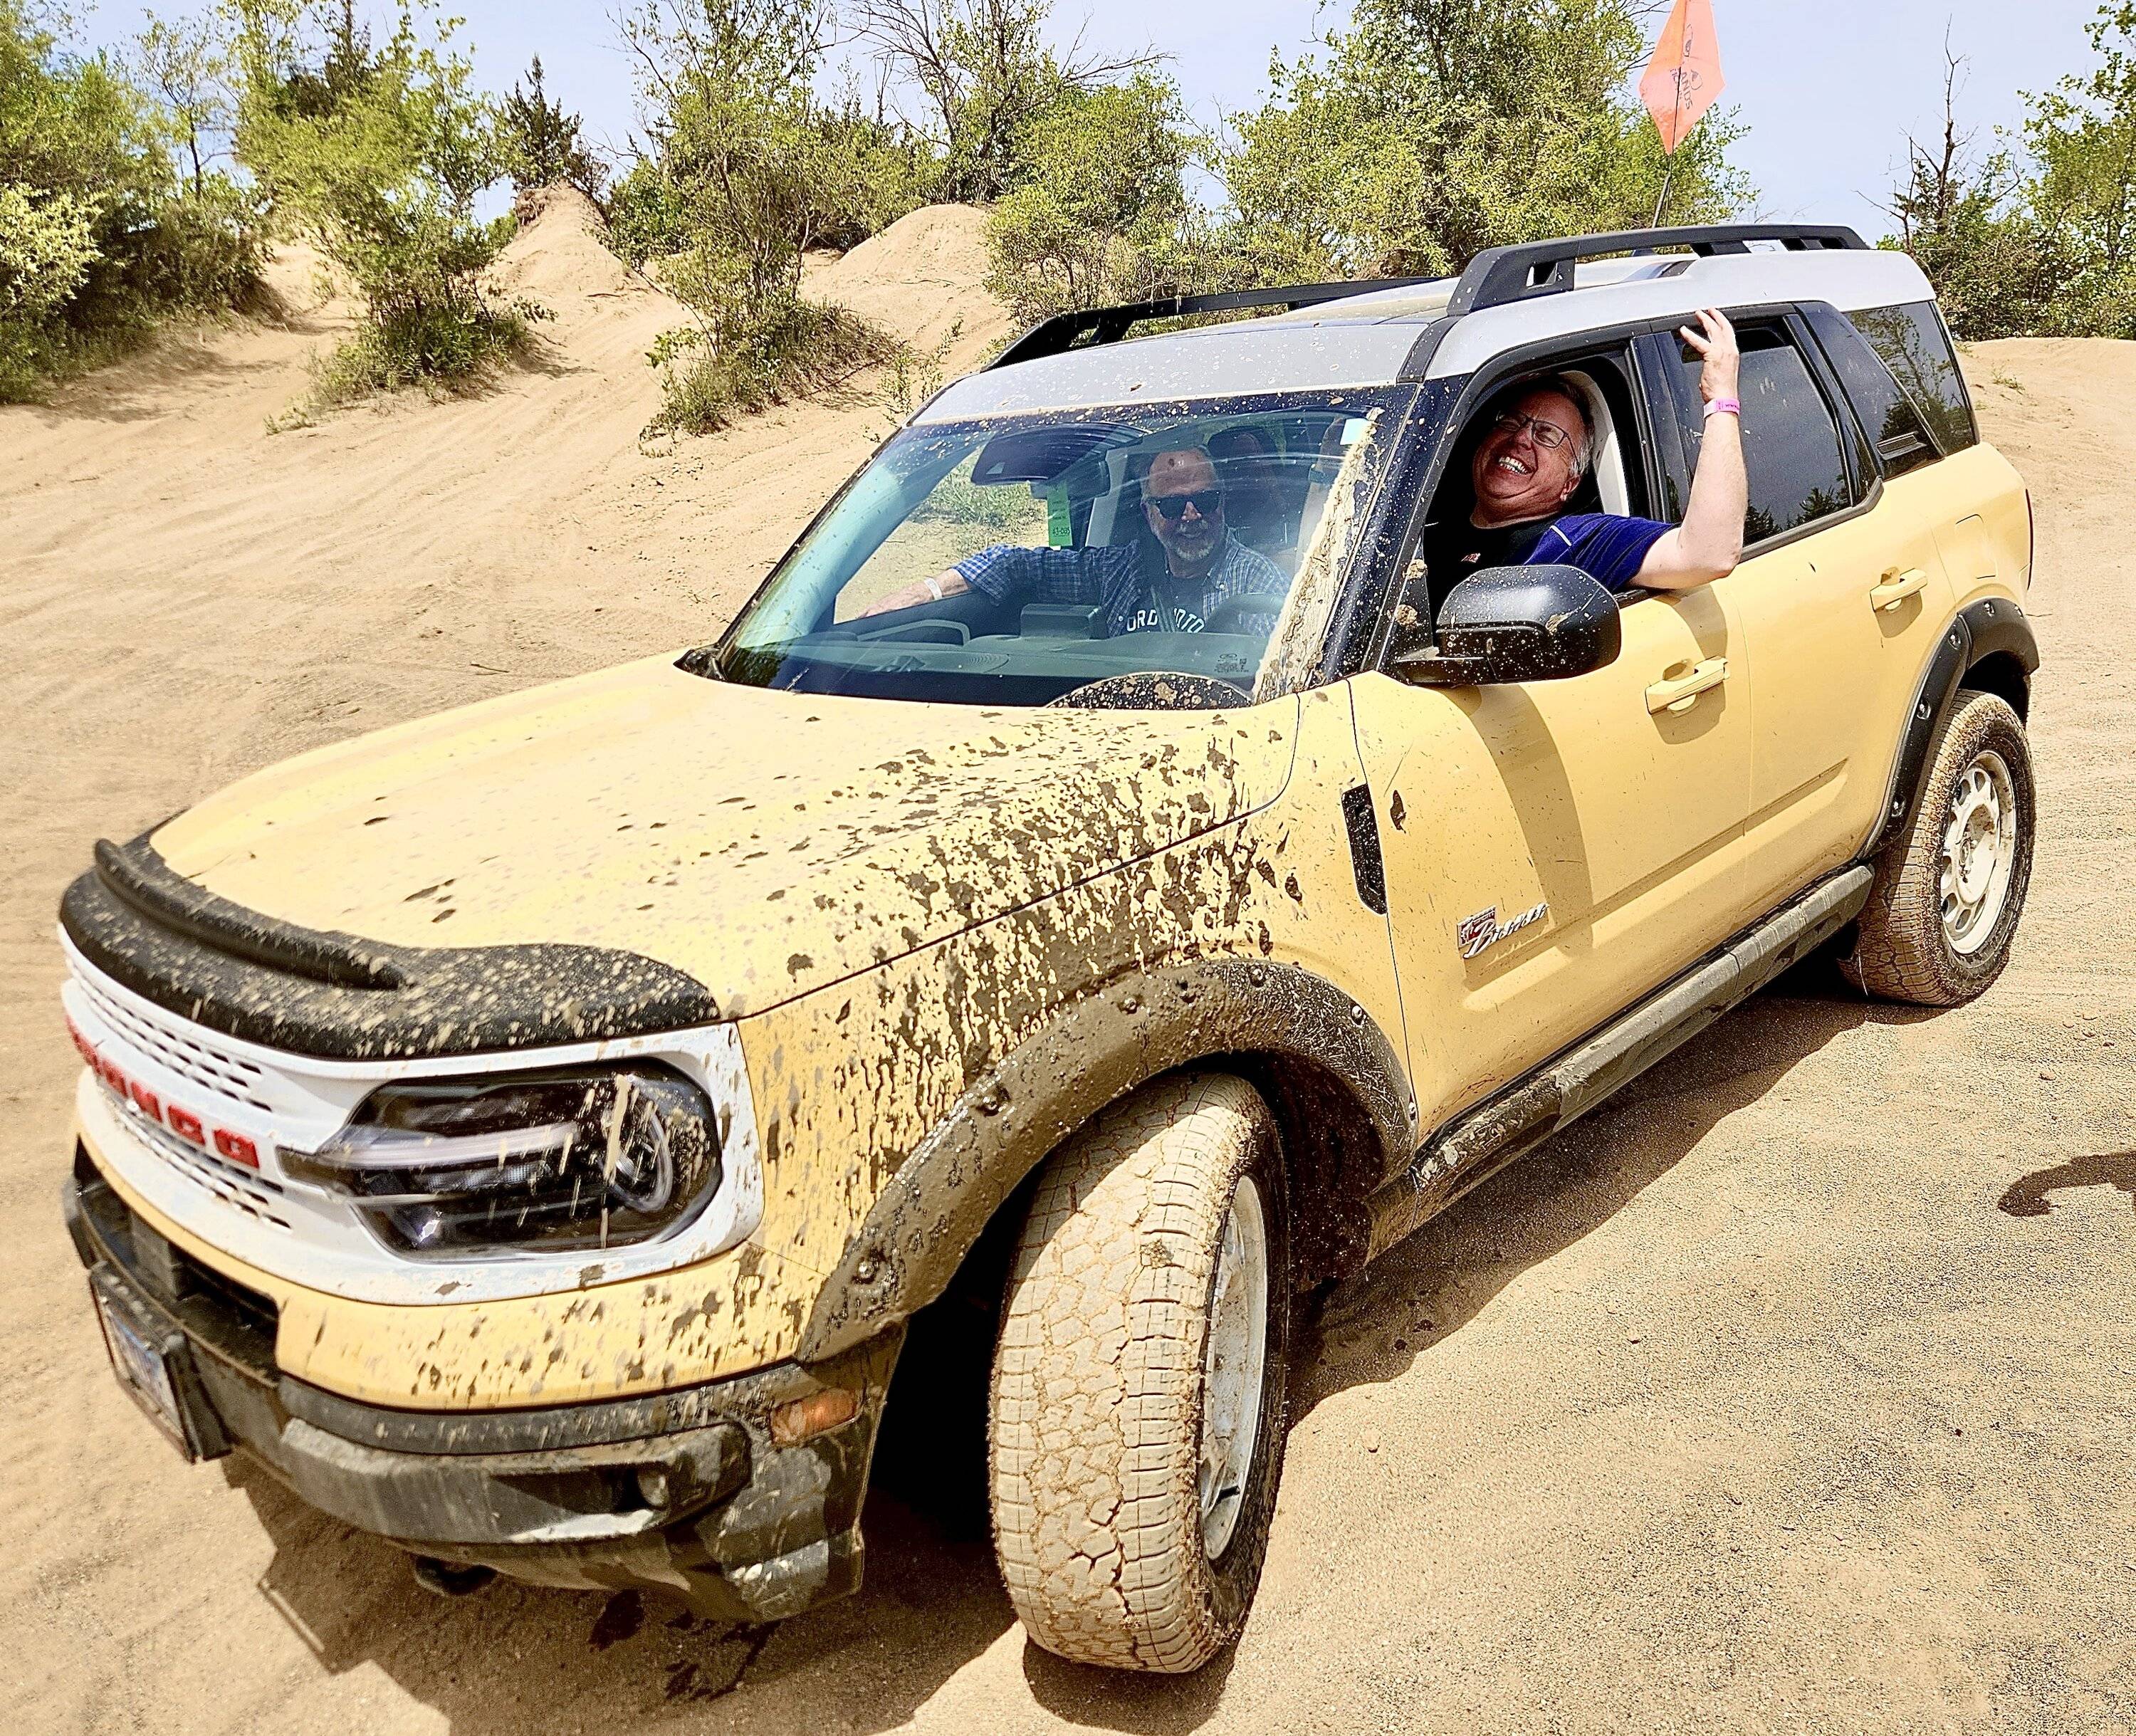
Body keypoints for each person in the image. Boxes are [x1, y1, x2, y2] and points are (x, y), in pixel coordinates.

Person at [1423, 307, 1747, 603]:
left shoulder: (1576, 542)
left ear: (1570, 482)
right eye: (1512, 421)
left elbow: (1706, 554)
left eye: (1547, 435)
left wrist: (1720, 400)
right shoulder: (1416, 533)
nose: (1521, 437)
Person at [859, 443, 1288, 635]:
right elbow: (1017, 564)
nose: (1192, 516)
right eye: (1174, 506)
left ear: (1224, 502)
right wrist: (928, 590)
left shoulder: (1256, 581)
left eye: (1205, 500)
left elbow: (1281, 682)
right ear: (1149, 514)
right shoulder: (1121, 569)